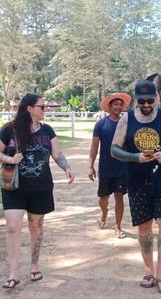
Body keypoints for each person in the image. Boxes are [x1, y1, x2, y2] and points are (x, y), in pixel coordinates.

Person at [111, 80, 161, 294]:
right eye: (141, 101)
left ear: (156, 99)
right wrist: (135, 157)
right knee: (144, 227)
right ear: (136, 100)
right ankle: (148, 271)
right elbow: (114, 149)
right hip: (136, 179)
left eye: (149, 101)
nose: (145, 105)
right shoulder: (126, 119)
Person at [0, 94, 75, 289]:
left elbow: (57, 153)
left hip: (40, 187)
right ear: (29, 108)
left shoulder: (47, 130)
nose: (45, 109)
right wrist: (9, 159)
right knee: (13, 227)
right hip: (14, 188)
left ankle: (35, 265)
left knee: (35, 228)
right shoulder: (9, 130)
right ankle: (13, 273)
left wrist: (66, 167)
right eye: (41, 106)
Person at [88, 92, 131, 238]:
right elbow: (94, 146)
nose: (118, 107)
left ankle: (118, 227)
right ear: (109, 106)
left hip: (122, 168)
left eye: (121, 105)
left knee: (119, 197)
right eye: (116, 104)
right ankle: (104, 213)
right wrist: (90, 166)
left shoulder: (126, 123)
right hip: (105, 167)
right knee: (103, 198)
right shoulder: (101, 124)